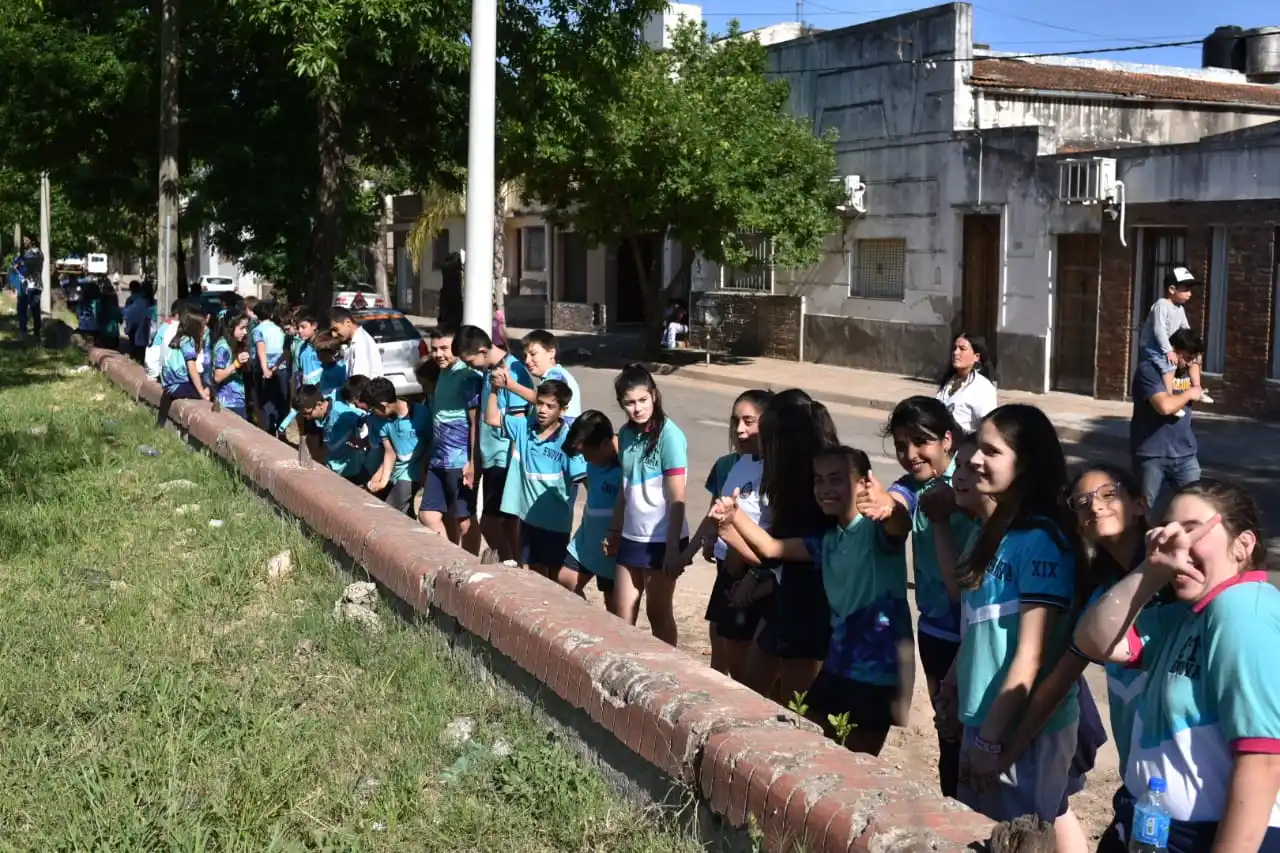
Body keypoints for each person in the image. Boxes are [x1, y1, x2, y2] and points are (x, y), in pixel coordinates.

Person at [1074, 479, 1280, 853]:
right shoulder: (1187, 614)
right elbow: (1093, 641)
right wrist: (1150, 571)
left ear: (1243, 545)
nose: (1175, 543)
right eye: (1166, 531)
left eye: (1191, 530)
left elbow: (1262, 759)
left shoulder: (1242, 609)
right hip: (1149, 827)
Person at [992, 464, 1172, 853]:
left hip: (1188, 786)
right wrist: (1009, 751)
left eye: (1109, 493)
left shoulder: (1179, 582)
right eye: (1082, 502)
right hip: (1140, 777)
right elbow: (1059, 679)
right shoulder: (1100, 593)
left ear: (1140, 503)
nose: (1096, 506)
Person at [713, 446, 912, 757]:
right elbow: (771, 549)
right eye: (819, 480)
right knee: (813, 749)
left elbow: (900, 525)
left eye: (836, 479)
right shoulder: (830, 540)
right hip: (838, 664)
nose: (825, 488)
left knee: (857, 765)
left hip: (878, 671)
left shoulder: (876, 531)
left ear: (863, 484)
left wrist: (890, 507)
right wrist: (732, 517)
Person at [951, 404, 1081, 827]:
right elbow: (977, 621)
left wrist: (990, 743)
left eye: (991, 451)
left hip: (1017, 729)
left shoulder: (1044, 540)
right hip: (983, 718)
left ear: (1026, 465)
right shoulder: (998, 528)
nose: (973, 459)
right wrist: (953, 683)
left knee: (1016, 838)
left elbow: (1031, 655)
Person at [857, 396, 972, 797]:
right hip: (938, 629)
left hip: (979, 630)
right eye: (902, 445)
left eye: (920, 443)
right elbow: (899, 507)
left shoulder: (972, 477)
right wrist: (885, 508)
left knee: (981, 732)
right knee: (948, 732)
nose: (910, 455)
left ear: (946, 439)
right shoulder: (909, 486)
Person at [743, 389, 841, 704]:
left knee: (796, 710)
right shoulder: (790, 486)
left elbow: (777, 549)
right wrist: (763, 577)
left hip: (812, 612)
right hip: (787, 602)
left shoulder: (820, 491)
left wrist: (729, 519)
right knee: (751, 693)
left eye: (766, 437)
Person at [689, 390, 773, 682]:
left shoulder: (774, 468)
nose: (740, 429)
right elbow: (722, 509)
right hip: (727, 568)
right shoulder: (739, 463)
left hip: (752, 573)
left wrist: (738, 552)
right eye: (736, 420)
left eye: (749, 421)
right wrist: (710, 539)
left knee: (743, 664)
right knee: (721, 645)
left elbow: (769, 527)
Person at [607, 364, 689, 647]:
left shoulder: (670, 436)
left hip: (662, 539)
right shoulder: (626, 434)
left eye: (642, 400)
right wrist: (614, 529)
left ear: (654, 395)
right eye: (629, 403)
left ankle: (668, 671)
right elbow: (624, 488)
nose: (637, 408)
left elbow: (678, 498)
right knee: (621, 614)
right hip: (631, 536)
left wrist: (672, 547)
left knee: (658, 613)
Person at [484, 378, 584, 577]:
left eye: (550, 406)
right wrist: (494, 390)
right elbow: (492, 419)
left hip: (556, 524)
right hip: (529, 521)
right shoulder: (525, 429)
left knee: (556, 579)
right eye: (540, 403)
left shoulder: (569, 441)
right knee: (536, 573)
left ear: (563, 409)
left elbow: (585, 480)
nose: (542, 410)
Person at [457, 324, 532, 564]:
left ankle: (511, 566)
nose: (470, 368)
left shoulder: (512, 371)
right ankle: (517, 567)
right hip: (491, 459)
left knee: (490, 524)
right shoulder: (491, 371)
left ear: (482, 350)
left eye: (470, 362)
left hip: (505, 460)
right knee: (508, 524)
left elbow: (519, 421)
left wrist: (514, 465)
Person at [1129, 327, 1205, 513]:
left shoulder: (1186, 369)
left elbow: (1194, 364)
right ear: (1172, 350)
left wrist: (1194, 366)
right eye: (1185, 358)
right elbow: (1165, 407)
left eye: (1192, 359)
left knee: (1196, 506)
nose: (1188, 363)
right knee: (1145, 510)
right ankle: (1143, 541)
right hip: (1152, 453)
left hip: (1185, 452)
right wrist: (1189, 393)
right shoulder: (1149, 370)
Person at [420, 327, 482, 552]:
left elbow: (476, 422)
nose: (439, 354)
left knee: (464, 519)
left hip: (459, 461)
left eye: (444, 348)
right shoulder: (442, 375)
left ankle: (470, 566)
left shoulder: (468, 377)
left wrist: (473, 463)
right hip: (438, 460)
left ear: (456, 349)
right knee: (428, 514)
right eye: (434, 349)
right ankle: (450, 558)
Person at [559, 411, 623, 609]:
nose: (585, 459)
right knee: (565, 580)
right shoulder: (594, 464)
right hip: (587, 540)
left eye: (586, 453)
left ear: (605, 444)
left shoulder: (628, 465)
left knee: (614, 605)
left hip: (614, 547)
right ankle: (587, 621)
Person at [1139, 266, 1212, 404]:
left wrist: (1195, 349)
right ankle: (1169, 397)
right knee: (1169, 365)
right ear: (1172, 289)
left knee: (1194, 360)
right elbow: (1159, 330)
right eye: (1186, 289)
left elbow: (1186, 329)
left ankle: (1197, 388)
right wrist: (1168, 351)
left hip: (1167, 345)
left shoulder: (1180, 309)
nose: (1189, 293)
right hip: (1152, 346)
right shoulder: (1162, 305)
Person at [362, 376, 432, 516]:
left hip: (414, 473)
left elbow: (432, 441)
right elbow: (390, 452)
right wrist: (383, 480)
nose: (372, 413)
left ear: (383, 405)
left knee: (389, 510)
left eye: (373, 409)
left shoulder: (421, 413)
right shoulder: (381, 421)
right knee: (403, 512)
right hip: (396, 472)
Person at [294, 384, 368, 483]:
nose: (306, 417)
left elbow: (368, 419)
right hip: (331, 467)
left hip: (349, 473)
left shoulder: (342, 414)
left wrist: (363, 442)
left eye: (308, 413)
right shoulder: (319, 413)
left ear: (319, 405)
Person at [505, 329, 582, 418]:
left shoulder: (557, 375)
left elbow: (546, 399)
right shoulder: (551, 376)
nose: (527, 360)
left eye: (533, 354)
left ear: (551, 353)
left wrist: (511, 385)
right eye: (525, 356)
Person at [936, 332, 997, 434]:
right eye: (955, 348)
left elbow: (987, 427)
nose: (956, 353)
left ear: (976, 357)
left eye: (962, 349)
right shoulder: (950, 380)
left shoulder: (983, 387)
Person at [252, 300, 289, 434]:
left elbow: (261, 350)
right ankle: (282, 428)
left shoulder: (257, 330)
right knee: (281, 399)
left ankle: (269, 429)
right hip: (282, 367)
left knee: (266, 401)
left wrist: (265, 369)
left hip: (264, 369)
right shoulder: (279, 327)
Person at [160, 308, 210, 401]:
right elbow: (192, 368)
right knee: (211, 389)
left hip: (169, 385)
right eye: (203, 326)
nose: (205, 328)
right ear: (195, 327)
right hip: (179, 386)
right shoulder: (189, 341)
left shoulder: (180, 338)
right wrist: (202, 393)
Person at [210, 311, 252, 418]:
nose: (245, 332)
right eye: (241, 328)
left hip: (236, 400)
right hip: (228, 403)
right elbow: (218, 377)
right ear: (231, 327)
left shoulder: (233, 344)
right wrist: (236, 364)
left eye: (246, 328)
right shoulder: (223, 347)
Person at [328, 306, 383, 379]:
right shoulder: (356, 340)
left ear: (347, 322)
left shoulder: (360, 342)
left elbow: (359, 381)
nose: (333, 335)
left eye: (335, 329)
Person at [146, 299, 184, 381]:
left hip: (165, 375)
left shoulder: (165, 327)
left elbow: (153, 354)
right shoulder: (186, 329)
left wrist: (153, 375)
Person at [15, 236, 43, 341]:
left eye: (26, 240)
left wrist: (18, 266)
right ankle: (36, 334)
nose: (24, 242)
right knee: (36, 311)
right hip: (37, 285)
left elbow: (24, 268)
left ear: (32, 241)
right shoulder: (40, 253)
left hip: (28, 286)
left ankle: (23, 334)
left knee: (22, 309)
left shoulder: (31, 254)